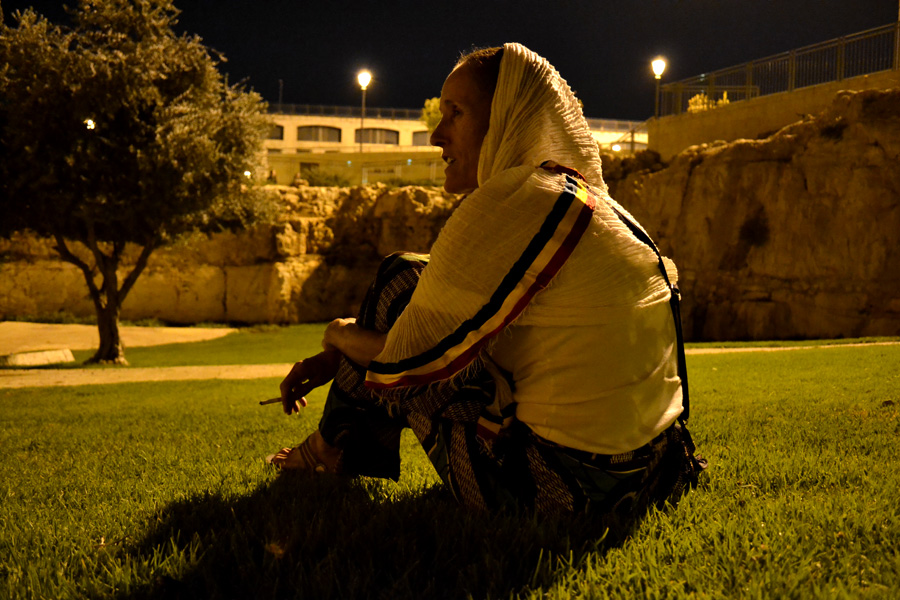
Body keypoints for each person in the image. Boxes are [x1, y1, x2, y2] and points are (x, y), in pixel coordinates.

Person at [268, 43, 705, 523]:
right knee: (413, 278)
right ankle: (329, 447)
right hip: (655, 472)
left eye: (456, 113)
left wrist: (336, 336)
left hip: (561, 495)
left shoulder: (515, 201)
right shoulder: (590, 202)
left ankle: (326, 450)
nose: (437, 135)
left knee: (397, 282)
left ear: (506, 120)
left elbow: (403, 359)